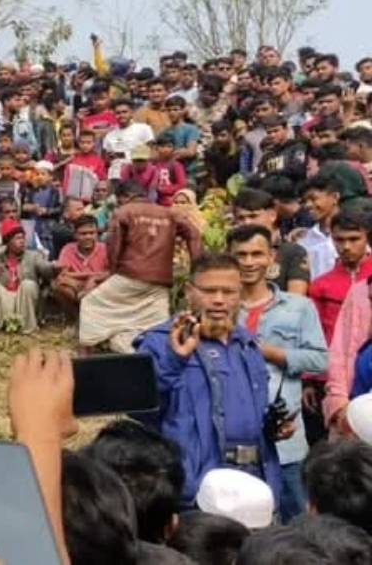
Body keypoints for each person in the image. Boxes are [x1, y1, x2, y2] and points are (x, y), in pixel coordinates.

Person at [134, 253, 280, 506]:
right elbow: (141, 411)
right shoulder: (161, 341)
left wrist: (275, 428)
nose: (219, 300)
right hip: (197, 491)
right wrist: (174, 360)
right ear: (190, 292)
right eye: (209, 291)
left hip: (256, 483)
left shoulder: (247, 344)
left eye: (229, 292)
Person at [227, 224, 328, 522]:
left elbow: (320, 360)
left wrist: (274, 353)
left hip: (287, 438)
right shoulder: (219, 309)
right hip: (234, 437)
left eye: (256, 253)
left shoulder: (298, 307)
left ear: (271, 257)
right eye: (240, 255)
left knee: (297, 521)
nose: (248, 262)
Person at [80, 180, 203, 353]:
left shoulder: (123, 211)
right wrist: (197, 269)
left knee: (89, 303)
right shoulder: (169, 213)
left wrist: (113, 272)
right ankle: (148, 358)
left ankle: (85, 355)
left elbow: (113, 245)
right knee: (155, 328)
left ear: (125, 197)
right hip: (161, 281)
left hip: (131, 276)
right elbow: (194, 234)